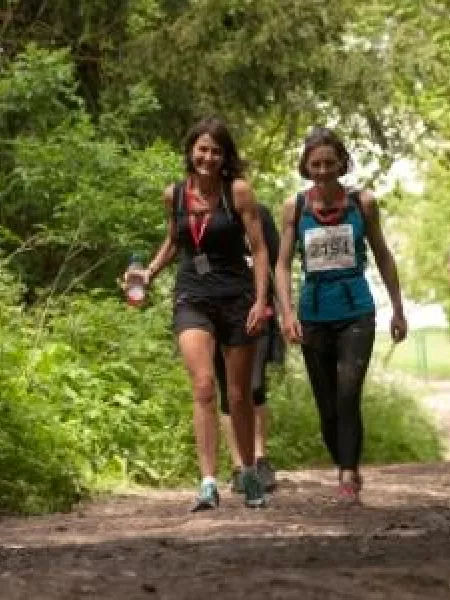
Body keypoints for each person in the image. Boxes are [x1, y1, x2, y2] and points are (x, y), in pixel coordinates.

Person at [124, 117, 268, 511]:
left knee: (238, 395)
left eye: (216, 151)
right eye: (202, 149)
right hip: (192, 296)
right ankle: (207, 482)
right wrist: (148, 273)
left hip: (237, 298)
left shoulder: (237, 192)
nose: (208, 157)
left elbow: (258, 250)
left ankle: (249, 473)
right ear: (191, 151)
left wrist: (261, 300)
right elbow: (174, 241)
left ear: (226, 157)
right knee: (204, 386)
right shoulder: (173, 195)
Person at [275, 127, 407, 504]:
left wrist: (397, 308)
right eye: (315, 164)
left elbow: (382, 254)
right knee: (327, 403)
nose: (323, 171)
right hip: (313, 314)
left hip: (356, 312)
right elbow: (283, 265)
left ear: (342, 164)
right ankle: (345, 463)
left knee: (348, 393)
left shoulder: (362, 203)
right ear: (305, 166)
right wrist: (286, 311)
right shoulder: (295, 207)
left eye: (330, 163)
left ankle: (347, 475)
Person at [214, 203, 282, 493]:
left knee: (253, 386)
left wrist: (280, 308)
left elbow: (278, 262)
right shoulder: (205, 214)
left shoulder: (259, 214)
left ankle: (260, 458)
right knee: (228, 389)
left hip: (257, 310)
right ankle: (240, 466)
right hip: (216, 309)